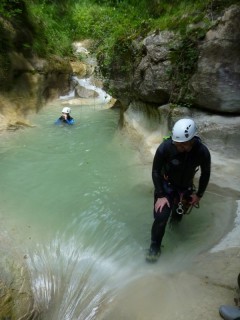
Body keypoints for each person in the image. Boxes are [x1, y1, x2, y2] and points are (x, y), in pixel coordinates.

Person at [146, 118, 211, 262]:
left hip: (185, 187)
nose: (177, 145)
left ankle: (174, 231)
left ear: (192, 140)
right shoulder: (166, 147)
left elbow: (205, 173)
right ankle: (154, 246)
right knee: (161, 216)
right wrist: (161, 195)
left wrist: (199, 194)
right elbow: (155, 171)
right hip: (165, 186)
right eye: (176, 142)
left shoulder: (202, 152)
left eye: (181, 144)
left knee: (177, 215)